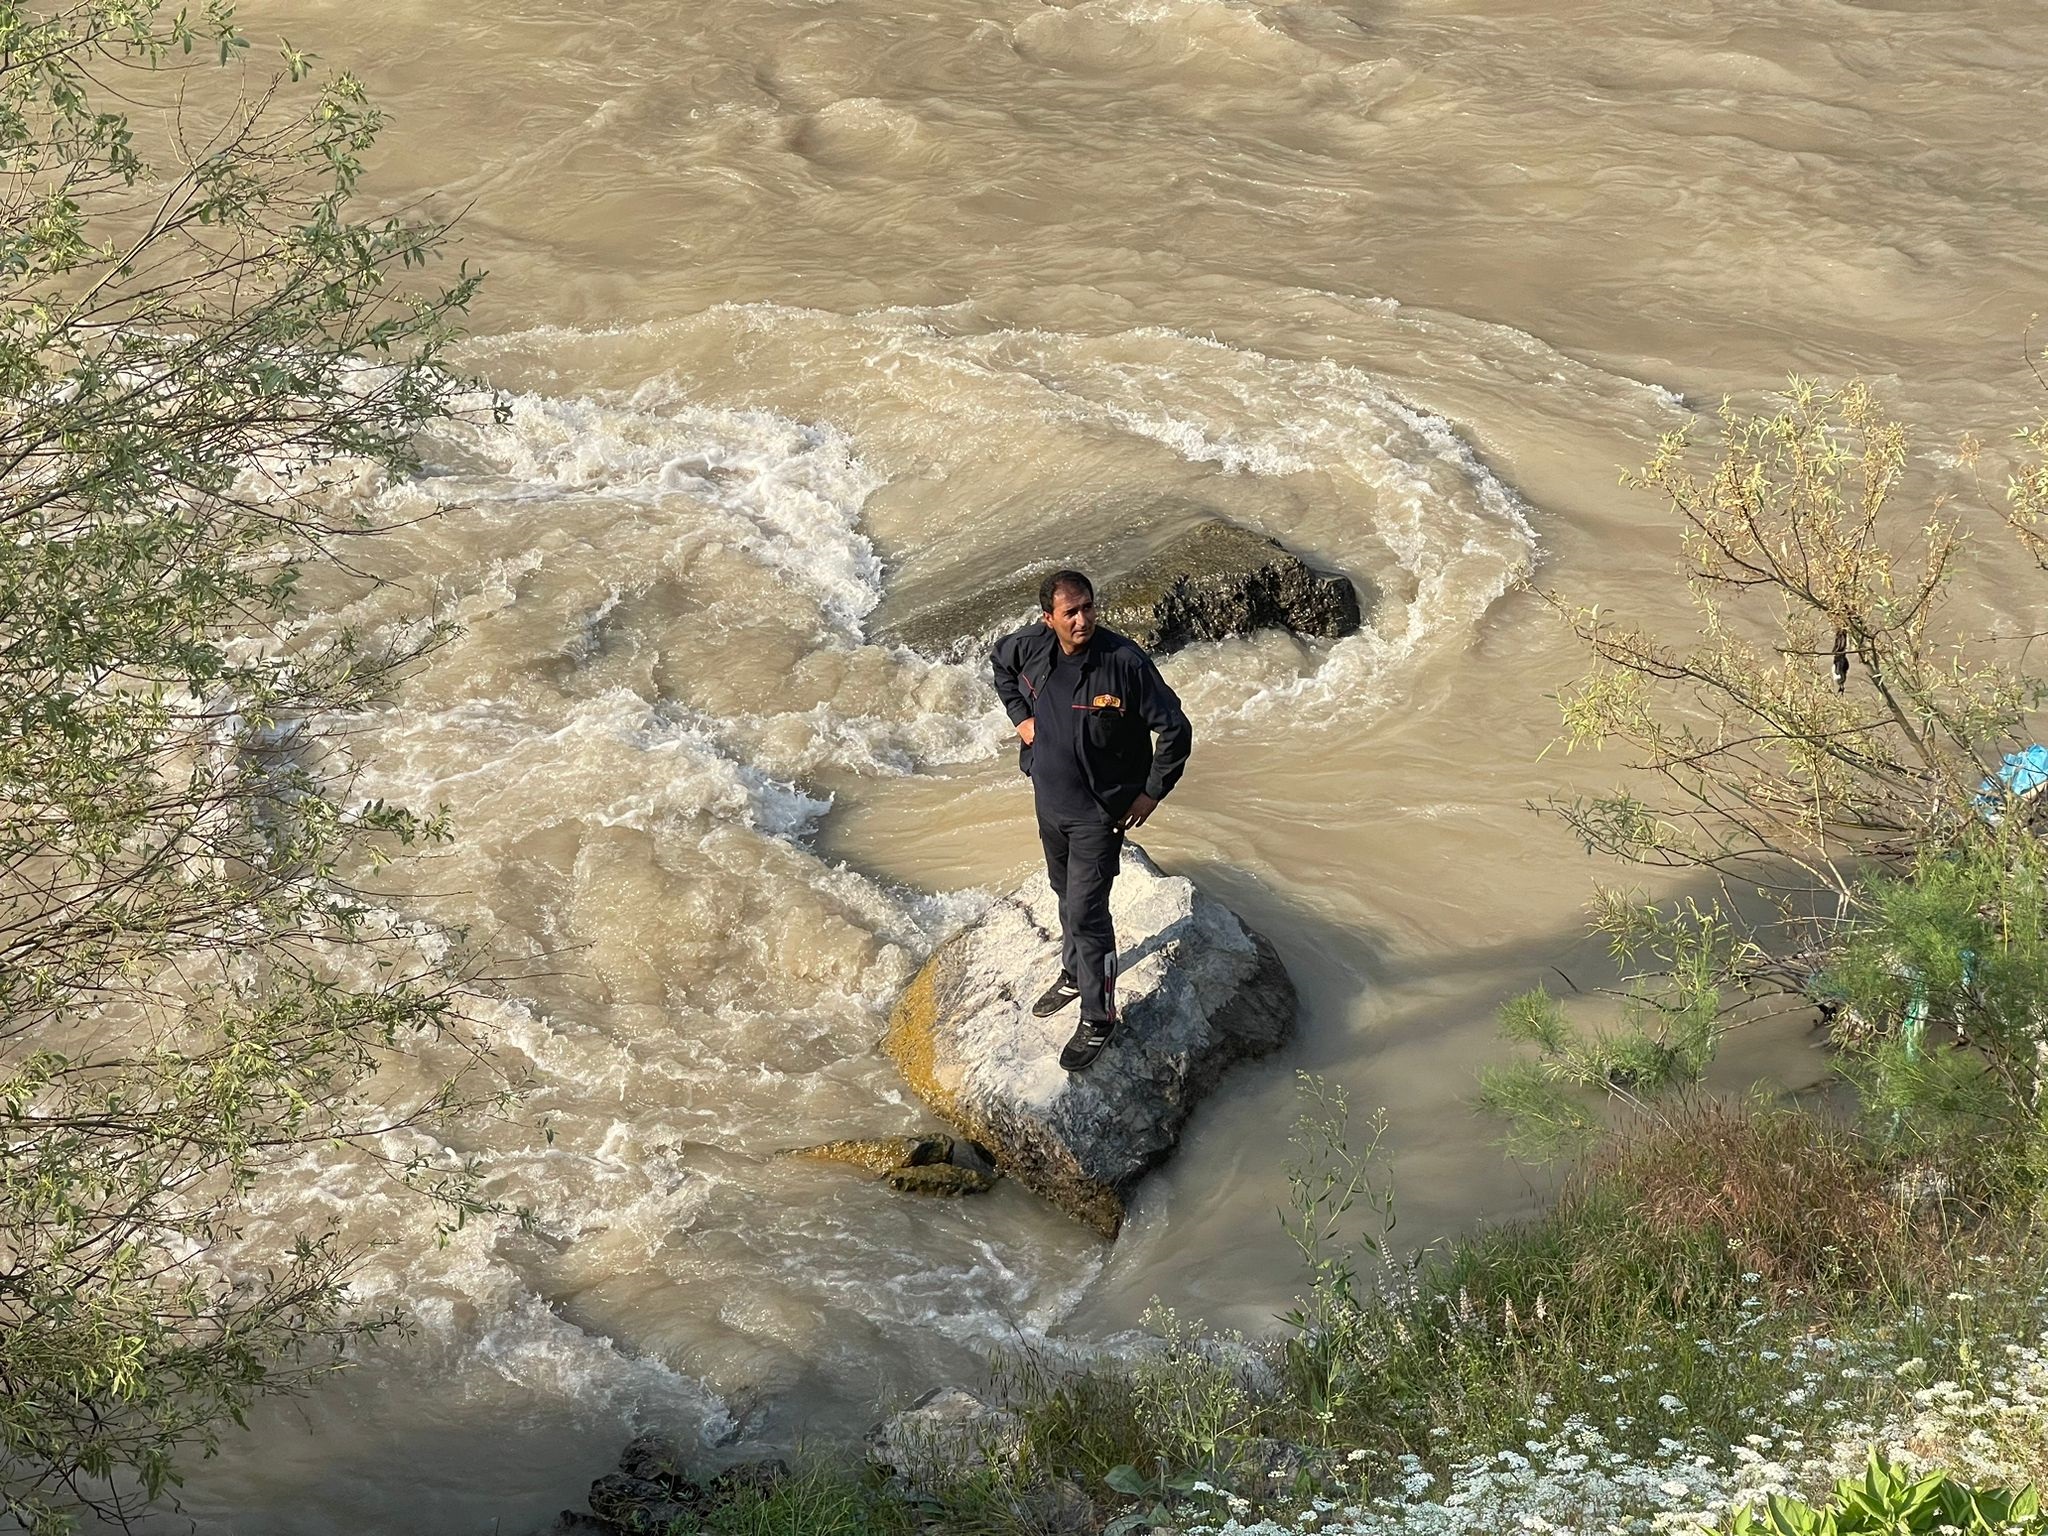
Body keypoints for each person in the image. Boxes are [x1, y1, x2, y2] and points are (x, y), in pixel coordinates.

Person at [991, 569, 1193, 1071]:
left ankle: (1099, 1016)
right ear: (1048, 619)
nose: (1083, 620)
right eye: (1071, 613)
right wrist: (1021, 717)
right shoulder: (1032, 648)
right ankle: (1072, 973)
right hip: (1050, 803)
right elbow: (999, 665)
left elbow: (1175, 730)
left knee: (1087, 912)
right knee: (1064, 894)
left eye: (1088, 608)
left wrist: (1150, 793)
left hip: (1098, 815)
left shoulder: (1123, 663)